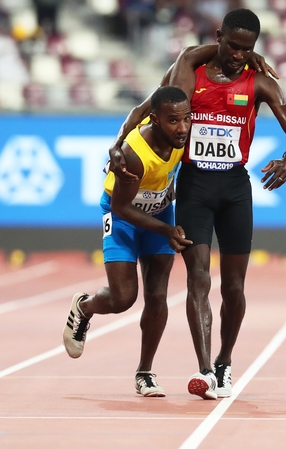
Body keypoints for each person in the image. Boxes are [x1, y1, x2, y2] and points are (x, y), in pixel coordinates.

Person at [109, 8, 286, 400]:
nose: (237, 55)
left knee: (234, 286)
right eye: (232, 45)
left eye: (245, 49)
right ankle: (205, 373)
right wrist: (117, 146)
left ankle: (224, 363)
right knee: (198, 278)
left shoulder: (260, 84)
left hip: (235, 188)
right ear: (218, 37)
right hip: (195, 185)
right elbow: (156, 98)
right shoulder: (191, 73)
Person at [63, 86, 193, 398]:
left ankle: (145, 372)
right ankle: (84, 308)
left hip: (160, 211)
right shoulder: (133, 157)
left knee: (157, 295)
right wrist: (166, 231)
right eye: (174, 121)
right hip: (122, 214)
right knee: (123, 298)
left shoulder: (182, 137)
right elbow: (122, 207)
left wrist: (170, 188)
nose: (183, 128)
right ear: (156, 121)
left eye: (186, 119)